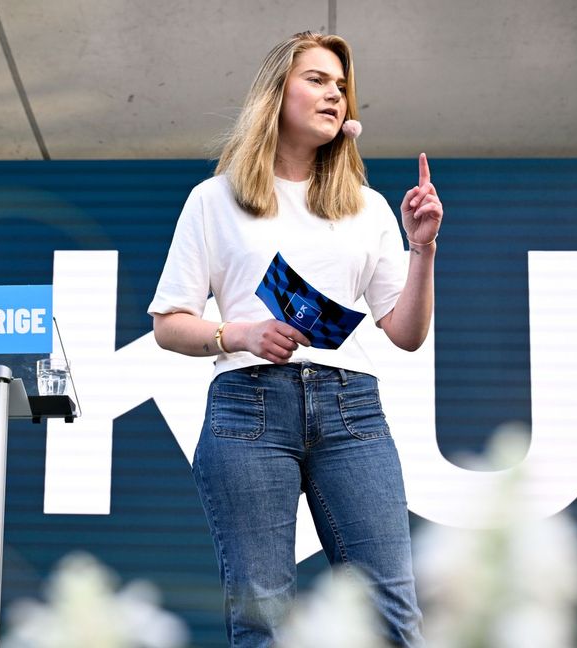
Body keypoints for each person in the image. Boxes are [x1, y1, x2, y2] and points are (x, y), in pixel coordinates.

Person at [148, 30, 442, 647]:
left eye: (342, 87)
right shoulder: (215, 199)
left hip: (352, 411)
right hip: (248, 410)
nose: (334, 94)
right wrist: (240, 333)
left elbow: (408, 333)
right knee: (264, 619)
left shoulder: (368, 205)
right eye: (317, 79)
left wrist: (422, 248)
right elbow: (169, 322)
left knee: (393, 615)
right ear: (275, 93)